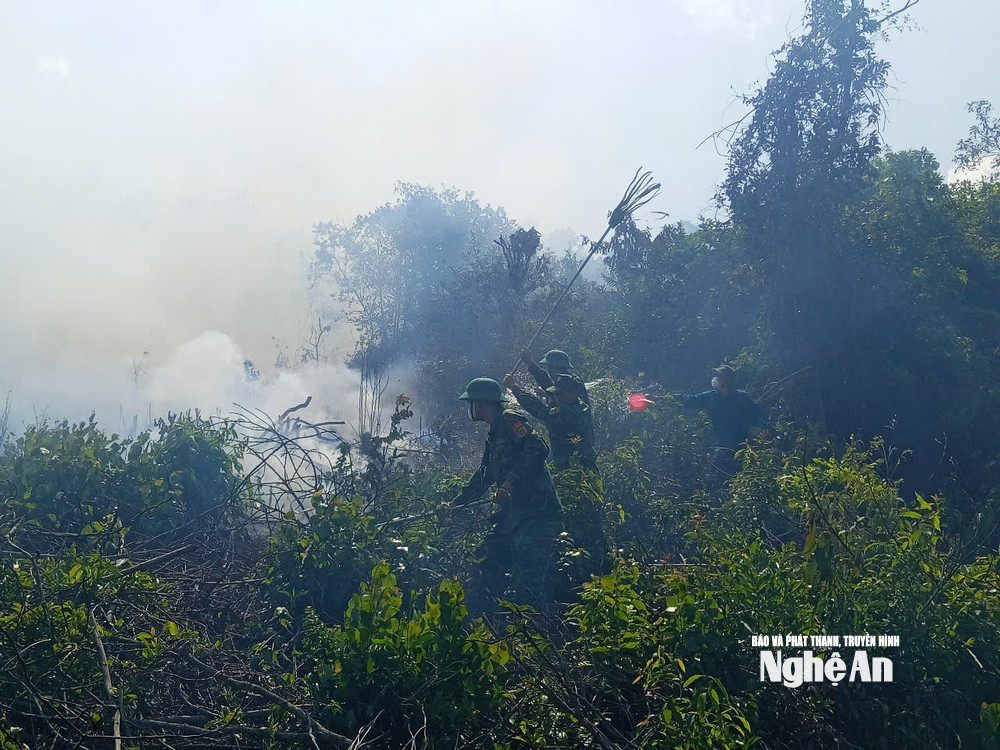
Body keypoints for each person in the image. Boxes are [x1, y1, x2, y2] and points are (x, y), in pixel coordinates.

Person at [451, 377, 563, 606]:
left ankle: (535, 630)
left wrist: (509, 484)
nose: (472, 409)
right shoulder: (493, 435)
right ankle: (491, 621)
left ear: (484, 403)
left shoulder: (509, 420)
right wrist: (456, 504)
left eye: (474, 403)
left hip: (537, 514)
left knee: (527, 579)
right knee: (486, 558)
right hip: (515, 516)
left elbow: (537, 448)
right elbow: (484, 476)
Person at [503, 372, 598, 472]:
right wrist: (545, 394)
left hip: (574, 469)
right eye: (555, 394)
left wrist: (515, 388)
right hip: (584, 465)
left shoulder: (565, 413)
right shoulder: (581, 406)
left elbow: (538, 409)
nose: (557, 398)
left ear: (573, 394)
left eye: (561, 394)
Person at [670, 365, 766, 452]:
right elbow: (690, 400)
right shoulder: (710, 397)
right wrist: (667, 398)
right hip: (722, 445)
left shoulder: (741, 397)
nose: (715, 378)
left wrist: (759, 429)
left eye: (718, 376)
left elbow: (758, 415)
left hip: (742, 445)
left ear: (726, 380)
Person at [521, 349, 590, 405]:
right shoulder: (565, 380)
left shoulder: (570, 382)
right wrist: (529, 363)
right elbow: (546, 383)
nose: (549, 370)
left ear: (555, 367)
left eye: (550, 367)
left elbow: (562, 401)